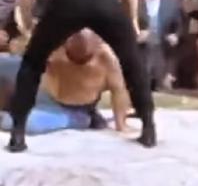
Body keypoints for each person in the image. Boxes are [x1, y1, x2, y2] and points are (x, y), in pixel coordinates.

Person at [6, 0, 155, 152]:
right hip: (104, 0)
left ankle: (18, 134)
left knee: (32, 64)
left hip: (68, 1)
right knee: (132, 62)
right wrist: (132, 18)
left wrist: (27, 24)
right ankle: (149, 128)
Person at [0, 29, 130, 133]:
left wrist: (121, 124)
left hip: (72, 111)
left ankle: (85, 119)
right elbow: (23, 53)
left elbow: (119, 90)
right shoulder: (56, 46)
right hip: (43, 93)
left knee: (20, 123)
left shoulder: (107, 59)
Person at [136, 0, 182, 90]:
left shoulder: (172, 1)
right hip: (139, 53)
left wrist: (176, 35)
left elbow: (179, 25)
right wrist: (136, 35)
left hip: (163, 52)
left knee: (162, 88)